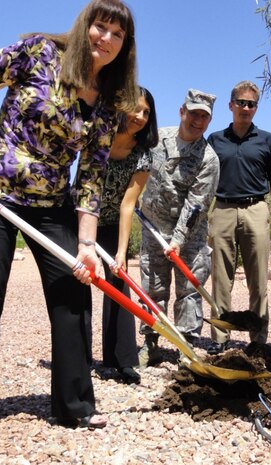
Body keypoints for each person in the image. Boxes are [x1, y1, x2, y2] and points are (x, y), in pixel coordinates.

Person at [0, 0, 137, 449]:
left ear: (124, 47)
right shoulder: (37, 53)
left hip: (51, 203)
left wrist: (87, 242)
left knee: (73, 291)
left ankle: (74, 405)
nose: (104, 39)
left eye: (116, 34)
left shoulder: (110, 103)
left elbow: (91, 174)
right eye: (99, 26)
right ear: (85, 26)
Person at [138, 88, 219, 367]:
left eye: (204, 117)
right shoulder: (156, 140)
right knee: (152, 287)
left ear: (209, 121)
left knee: (189, 290)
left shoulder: (209, 158)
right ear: (182, 111)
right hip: (153, 229)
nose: (197, 121)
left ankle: (187, 347)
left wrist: (179, 240)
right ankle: (151, 343)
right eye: (193, 113)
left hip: (191, 236)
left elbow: (197, 204)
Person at [207, 80, 271, 355]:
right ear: (231, 105)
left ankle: (258, 339)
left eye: (251, 104)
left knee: (258, 280)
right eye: (241, 102)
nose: (246, 108)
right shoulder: (215, 139)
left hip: (256, 209)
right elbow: (204, 179)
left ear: (256, 108)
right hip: (223, 209)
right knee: (220, 278)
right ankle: (219, 338)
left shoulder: (267, 140)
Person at [95, 86, 158, 384]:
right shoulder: (98, 136)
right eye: (136, 109)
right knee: (77, 282)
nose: (141, 116)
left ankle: (122, 361)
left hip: (109, 224)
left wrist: (121, 254)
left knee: (118, 283)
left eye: (146, 112)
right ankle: (77, 358)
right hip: (79, 216)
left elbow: (127, 204)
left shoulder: (142, 156)